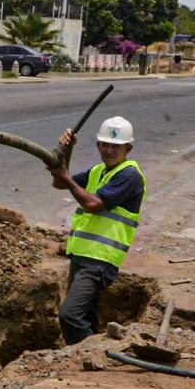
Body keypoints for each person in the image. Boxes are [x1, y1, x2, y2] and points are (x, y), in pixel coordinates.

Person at [48, 116, 147, 346]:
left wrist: (63, 174)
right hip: (82, 255)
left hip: (99, 261)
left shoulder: (129, 175)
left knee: (70, 315)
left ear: (128, 148)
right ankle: (89, 364)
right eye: (105, 144)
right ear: (98, 146)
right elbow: (61, 183)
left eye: (116, 146)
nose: (109, 150)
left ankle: (89, 353)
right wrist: (66, 153)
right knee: (86, 316)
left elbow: (92, 203)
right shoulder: (99, 171)